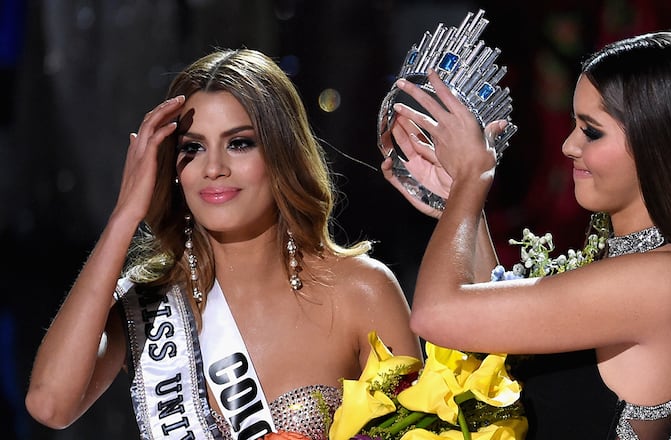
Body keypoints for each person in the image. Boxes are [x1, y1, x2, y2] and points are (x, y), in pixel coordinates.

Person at [25, 48, 422, 440]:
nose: (213, 168)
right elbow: (50, 405)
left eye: (240, 143)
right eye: (192, 148)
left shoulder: (361, 292)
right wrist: (123, 217)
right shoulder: (149, 307)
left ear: (282, 153)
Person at [381, 31, 671, 440]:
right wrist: (459, 199)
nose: (567, 146)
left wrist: (472, 182)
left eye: (591, 132)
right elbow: (496, 335)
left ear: (660, 141)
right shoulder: (638, 267)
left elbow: (436, 317)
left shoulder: (670, 279)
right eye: (574, 125)